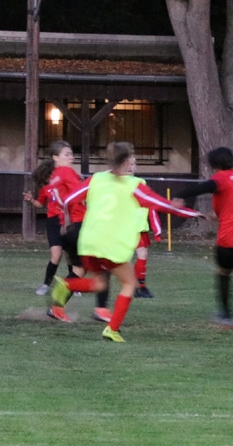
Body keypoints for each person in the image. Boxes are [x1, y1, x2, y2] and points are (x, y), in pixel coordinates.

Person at [49, 142, 199, 342]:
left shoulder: (96, 178)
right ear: (127, 160)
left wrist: (67, 221)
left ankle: (67, 284)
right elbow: (161, 204)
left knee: (99, 283)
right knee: (129, 283)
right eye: (132, 157)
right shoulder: (134, 185)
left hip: (89, 242)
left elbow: (69, 200)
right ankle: (112, 329)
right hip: (112, 245)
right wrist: (192, 213)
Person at [174, 146, 233, 347]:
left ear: (214, 166)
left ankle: (226, 314)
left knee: (223, 271)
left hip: (232, 239)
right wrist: (215, 215)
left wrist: (180, 195)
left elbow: (205, 187)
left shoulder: (222, 177)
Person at [24, 141, 82, 294]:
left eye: (71, 154)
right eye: (67, 154)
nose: (71, 157)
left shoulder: (65, 175)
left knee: (70, 255)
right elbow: (40, 203)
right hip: (55, 221)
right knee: (56, 255)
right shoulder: (51, 183)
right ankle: (46, 285)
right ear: (55, 158)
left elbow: (76, 192)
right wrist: (31, 200)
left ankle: (73, 287)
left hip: (68, 220)